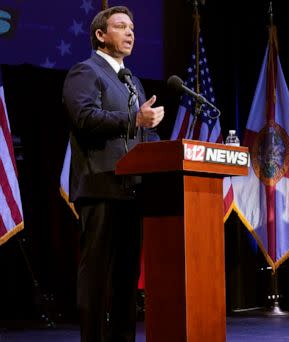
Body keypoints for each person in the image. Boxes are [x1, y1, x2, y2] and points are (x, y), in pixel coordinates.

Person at [62, 6, 164, 341]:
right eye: (121, 27)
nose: (130, 32)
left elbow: (138, 135)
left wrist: (165, 145)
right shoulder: (85, 72)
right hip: (100, 186)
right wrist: (135, 120)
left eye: (132, 27)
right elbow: (85, 118)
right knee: (96, 278)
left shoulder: (131, 79)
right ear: (101, 35)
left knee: (126, 277)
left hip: (132, 190)